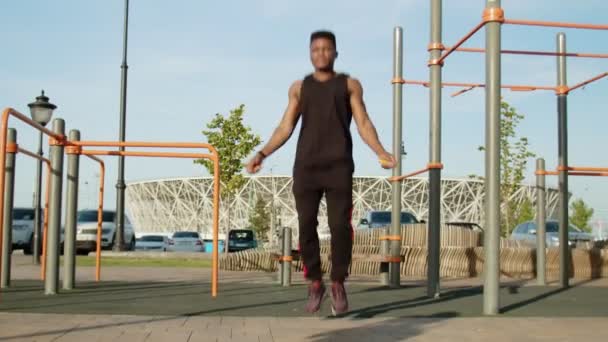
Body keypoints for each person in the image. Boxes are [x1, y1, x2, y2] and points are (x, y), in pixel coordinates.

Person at [245, 30, 395, 315]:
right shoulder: (299, 88)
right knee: (306, 225)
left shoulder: (349, 85)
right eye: (316, 50)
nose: (321, 54)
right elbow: (285, 127)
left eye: (327, 49)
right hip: (307, 167)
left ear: (335, 53)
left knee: (340, 226)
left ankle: (338, 281)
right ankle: (315, 282)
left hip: (338, 166)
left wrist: (380, 151)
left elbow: (363, 122)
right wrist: (262, 153)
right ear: (310, 54)